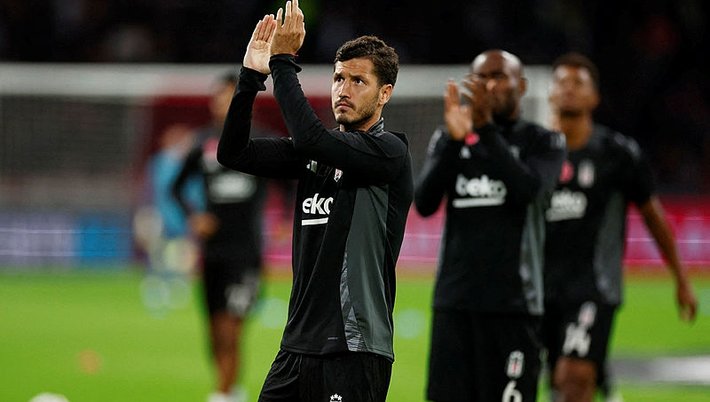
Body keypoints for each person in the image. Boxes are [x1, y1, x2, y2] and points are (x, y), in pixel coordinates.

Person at [217, 3, 413, 402]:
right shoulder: (316, 155)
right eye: (339, 78)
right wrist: (251, 75)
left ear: (385, 94)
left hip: (353, 348)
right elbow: (233, 153)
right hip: (296, 347)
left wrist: (283, 62)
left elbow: (311, 139)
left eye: (358, 81)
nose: (344, 89)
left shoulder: (389, 152)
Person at [541, 52, 698, 402]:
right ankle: (604, 382)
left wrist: (681, 279)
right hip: (540, 288)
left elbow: (653, 216)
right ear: (550, 93)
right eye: (561, 82)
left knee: (572, 377)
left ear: (594, 98)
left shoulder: (617, 154)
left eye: (578, 83)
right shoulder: (535, 153)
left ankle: (593, 377)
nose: (568, 88)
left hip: (594, 287)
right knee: (557, 381)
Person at [414, 50, 567, 401]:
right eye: (480, 78)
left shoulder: (544, 142)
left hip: (513, 307)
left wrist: (483, 128)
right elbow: (424, 203)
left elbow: (529, 191)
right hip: (455, 304)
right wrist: (454, 141)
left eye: (498, 76)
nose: (487, 86)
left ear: (521, 86)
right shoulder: (450, 138)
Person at [172, 72, 268, 402]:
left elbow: (292, 183)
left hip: (246, 252)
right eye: (219, 97)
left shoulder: (262, 141)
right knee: (213, 334)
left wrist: (286, 219)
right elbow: (176, 188)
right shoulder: (203, 143)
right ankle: (232, 391)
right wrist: (194, 216)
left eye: (230, 96)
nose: (222, 103)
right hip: (213, 252)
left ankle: (221, 394)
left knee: (231, 330)